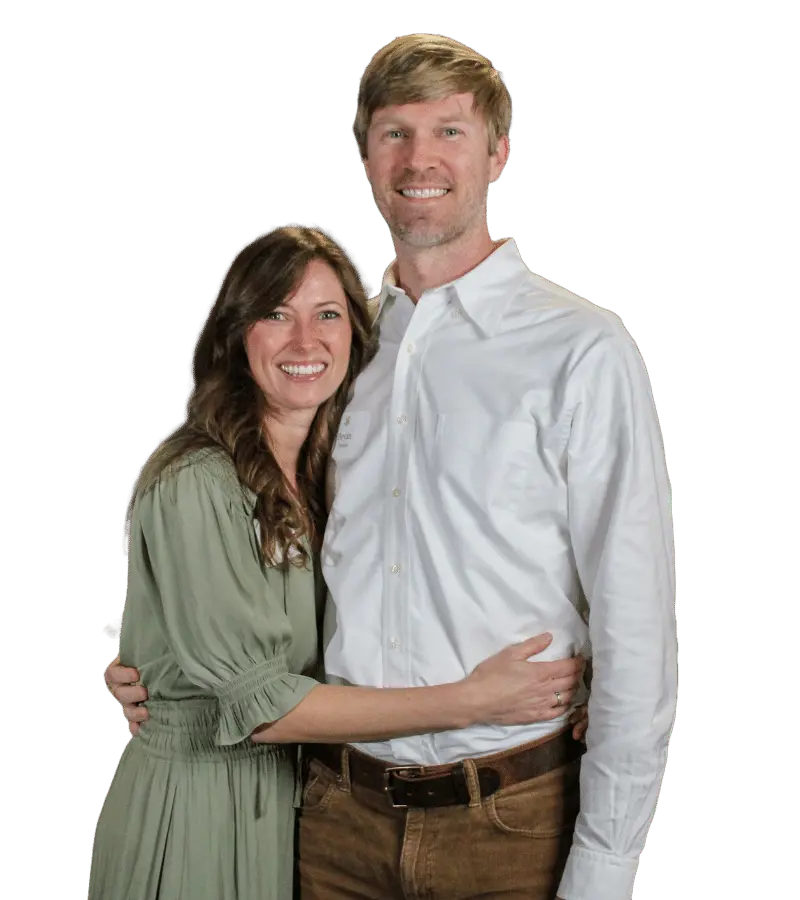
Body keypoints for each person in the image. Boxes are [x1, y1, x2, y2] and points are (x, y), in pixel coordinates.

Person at [106, 32, 677, 900]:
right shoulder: (337, 350)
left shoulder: (581, 350)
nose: (421, 158)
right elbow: (251, 539)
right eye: (394, 133)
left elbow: (637, 631)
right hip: (331, 817)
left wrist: (603, 868)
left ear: (499, 153)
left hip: (515, 823)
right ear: (365, 156)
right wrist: (166, 672)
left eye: (451, 131)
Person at [89, 222, 586, 900]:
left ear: (356, 335)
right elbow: (262, 706)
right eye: (275, 314)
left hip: (291, 808)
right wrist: (472, 701)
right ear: (236, 335)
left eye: (327, 314)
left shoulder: (328, 472)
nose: (305, 342)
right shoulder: (195, 478)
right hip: (199, 811)